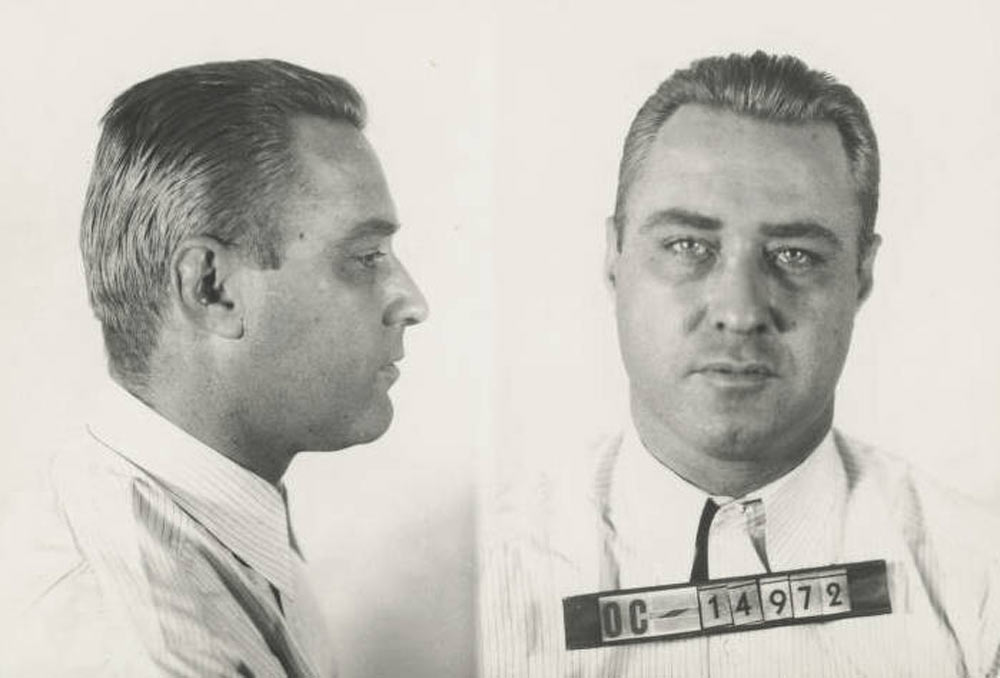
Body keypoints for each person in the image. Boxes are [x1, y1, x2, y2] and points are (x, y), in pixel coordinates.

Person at [480, 51, 1000, 677]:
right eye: (688, 246)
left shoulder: (980, 579)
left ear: (861, 276)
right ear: (614, 254)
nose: (740, 311)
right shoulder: (481, 580)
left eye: (796, 255)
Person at [1, 59, 428, 676]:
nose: (412, 301)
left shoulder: (223, 507)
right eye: (364, 256)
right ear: (211, 288)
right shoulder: (135, 641)